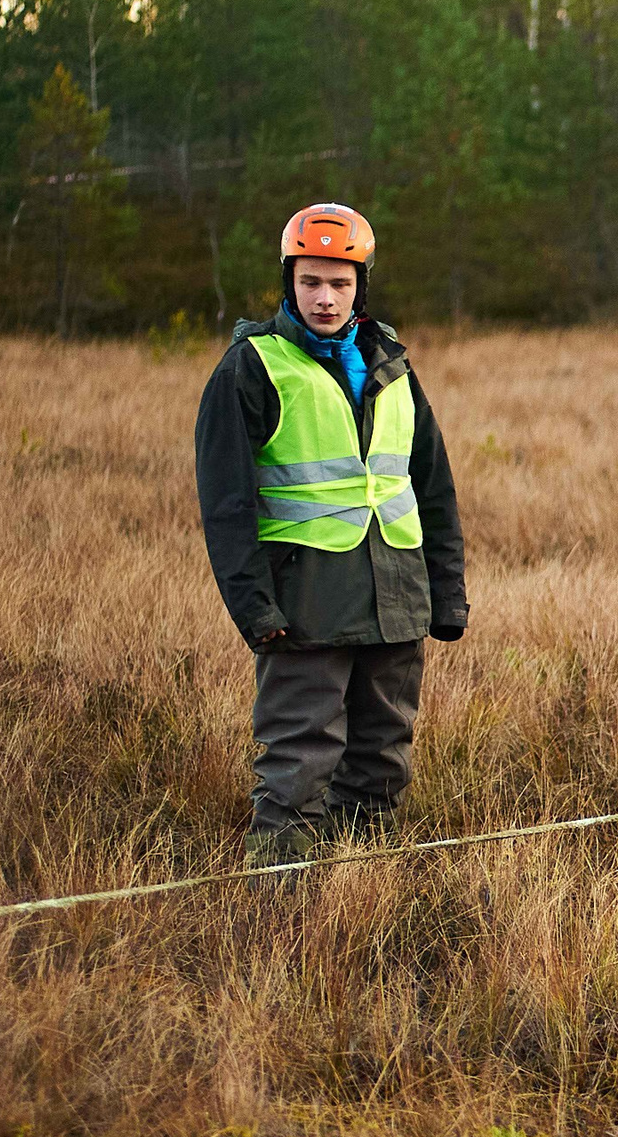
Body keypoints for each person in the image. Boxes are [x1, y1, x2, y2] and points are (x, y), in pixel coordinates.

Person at [194, 204, 468, 868]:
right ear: (289, 281)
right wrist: (255, 609)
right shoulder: (251, 367)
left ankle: (363, 895)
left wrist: (446, 594)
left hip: (395, 600)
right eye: (310, 281)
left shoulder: (393, 365)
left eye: (340, 284)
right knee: (297, 767)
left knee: (381, 764)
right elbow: (227, 505)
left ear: (360, 286)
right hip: (304, 607)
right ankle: (279, 907)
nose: (325, 298)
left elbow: (432, 487)